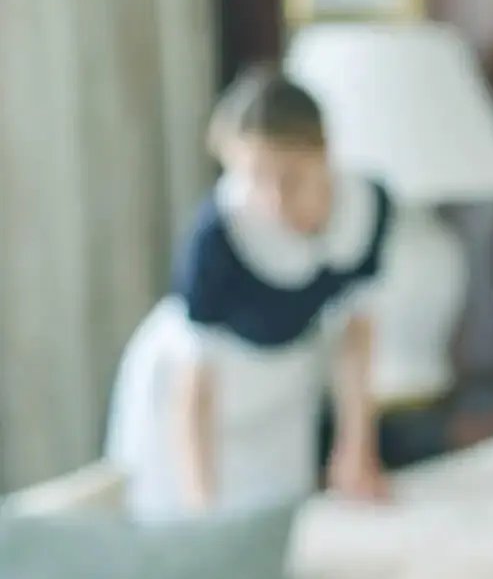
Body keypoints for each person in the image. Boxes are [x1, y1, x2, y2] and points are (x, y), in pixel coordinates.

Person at [108, 67, 392, 520]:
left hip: (281, 389)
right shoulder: (217, 240)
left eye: (291, 176)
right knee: (184, 525)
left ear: (324, 153)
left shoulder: (366, 209)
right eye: (256, 177)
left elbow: (355, 334)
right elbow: (194, 388)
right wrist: (201, 513)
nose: (274, 198)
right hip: (187, 402)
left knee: (278, 524)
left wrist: (356, 447)